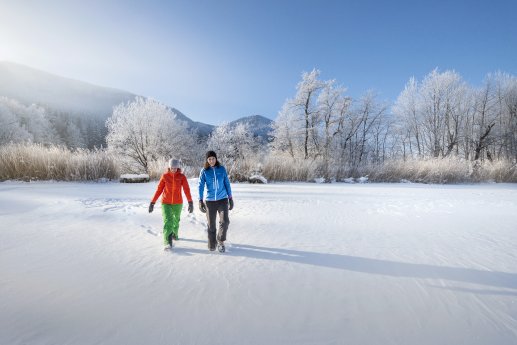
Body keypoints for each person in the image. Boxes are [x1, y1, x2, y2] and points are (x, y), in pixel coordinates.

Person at [149, 158, 193, 251]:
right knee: (168, 221)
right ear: (169, 167)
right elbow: (159, 190)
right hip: (166, 202)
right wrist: (152, 202)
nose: (174, 169)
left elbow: (186, 190)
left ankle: (175, 234)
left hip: (178, 203)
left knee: (176, 220)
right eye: (172, 167)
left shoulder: (182, 177)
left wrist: (190, 202)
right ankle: (167, 242)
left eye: (175, 168)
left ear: (178, 168)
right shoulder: (165, 176)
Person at [198, 151, 233, 252]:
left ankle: (221, 241)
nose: (211, 161)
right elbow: (200, 186)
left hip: (223, 199)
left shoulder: (221, 169)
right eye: (209, 159)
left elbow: (227, 183)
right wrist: (200, 200)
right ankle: (212, 243)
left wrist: (230, 198)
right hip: (210, 201)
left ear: (216, 159)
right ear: (207, 160)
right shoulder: (204, 171)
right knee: (211, 224)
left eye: (213, 158)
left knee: (225, 221)